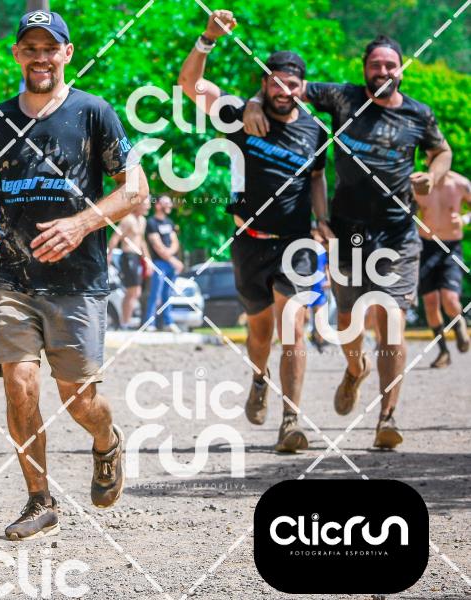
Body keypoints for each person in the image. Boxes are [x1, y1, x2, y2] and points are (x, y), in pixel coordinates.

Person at [0, 10, 148, 540]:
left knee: (78, 397)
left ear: (67, 53)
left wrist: (81, 224)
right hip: (10, 276)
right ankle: (39, 500)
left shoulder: (93, 112)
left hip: (77, 280)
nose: (40, 57)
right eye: (30, 48)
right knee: (19, 384)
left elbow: (135, 189)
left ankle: (106, 441)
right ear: (18, 54)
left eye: (50, 48)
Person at [244, 35, 452, 448]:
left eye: (390, 65)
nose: (383, 72)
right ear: (365, 69)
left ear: (401, 69)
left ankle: (387, 418)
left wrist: (434, 175)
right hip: (348, 233)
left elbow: (441, 151)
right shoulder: (343, 98)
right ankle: (356, 370)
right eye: (376, 65)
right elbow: (287, 86)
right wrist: (252, 102)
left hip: (397, 234)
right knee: (346, 323)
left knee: (391, 323)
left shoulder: (418, 114)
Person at [178, 10, 329, 452]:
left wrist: (322, 219)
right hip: (249, 242)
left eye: (292, 84)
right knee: (260, 334)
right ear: (264, 84)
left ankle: (291, 420)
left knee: (293, 328)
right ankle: (259, 378)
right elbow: (190, 85)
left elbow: (318, 177)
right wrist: (208, 38)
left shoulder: (316, 129)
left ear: (302, 87)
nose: (284, 91)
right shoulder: (240, 115)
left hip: (297, 244)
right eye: (276, 83)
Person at [415, 170, 471, 367]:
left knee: (450, 299)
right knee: (430, 302)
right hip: (426, 246)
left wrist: (465, 219)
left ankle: (459, 323)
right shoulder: (419, 184)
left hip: (451, 247)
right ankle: (443, 352)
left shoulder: (461, 183)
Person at [107, 196, 150, 329]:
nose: (148, 207)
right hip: (128, 256)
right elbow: (115, 237)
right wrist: (109, 255)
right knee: (133, 291)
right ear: (138, 205)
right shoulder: (128, 219)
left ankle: (125, 321)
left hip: (137, 257)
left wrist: (147, 260)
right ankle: (125, 323)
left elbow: (142, 242)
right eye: (146, 204)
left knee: (136, 292)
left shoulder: (142, 220)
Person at [144, 195, 183, 330]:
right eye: (166, 202)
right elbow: (157, 246)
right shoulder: (151, 222)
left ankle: (168, 322)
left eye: (170, 203)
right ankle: (150, 323)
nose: (169, 205)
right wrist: (173, 260)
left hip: (170, 263)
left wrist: (170, 256)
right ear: (158, 205)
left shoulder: (169, 222)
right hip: (158, 263)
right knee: (155, 293)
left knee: (168, 294)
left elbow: (175, 242)